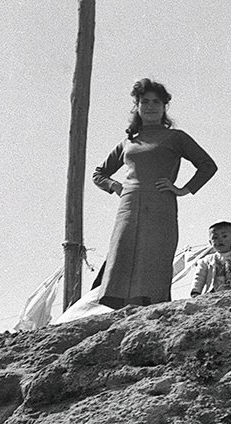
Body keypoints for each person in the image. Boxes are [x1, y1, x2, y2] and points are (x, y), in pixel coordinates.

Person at [91, 79, 217, 308]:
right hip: (128, 207)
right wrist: (116, 186)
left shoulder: (176, 137)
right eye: (145, 101)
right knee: (123, 256)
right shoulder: (128, 142)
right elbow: (99, 173)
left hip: (161, 205)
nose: (150, 106)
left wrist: (183, 189)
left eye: (156, 102)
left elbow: (207, 165)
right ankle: (120, 312)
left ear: (164, 107)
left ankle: (152, 310)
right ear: (137, 106)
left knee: (155, 258)